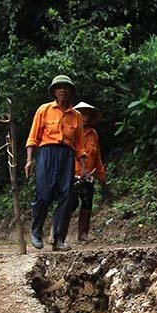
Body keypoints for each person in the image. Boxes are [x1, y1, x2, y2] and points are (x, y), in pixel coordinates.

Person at [23, 74, 86, 251]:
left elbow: (80, 145)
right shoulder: (44, 110)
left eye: (66, 87)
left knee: (67, 197)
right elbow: (33, 137)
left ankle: (59, 239)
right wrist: (29, 160)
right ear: (54, 91)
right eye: (59, 87)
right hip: (46, 153)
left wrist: (84, 168)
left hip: (67, 155)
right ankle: (36, 231)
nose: (63, 90)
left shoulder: (77, 116)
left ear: (71, 92)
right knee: (44, 194)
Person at [72, 101, 106, 243]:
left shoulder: (93, 134)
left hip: (88, 175)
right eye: (82, 114)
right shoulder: (71, 132)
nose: (85, 117)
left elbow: (97, 156)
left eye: (88, 114)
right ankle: (57, 233)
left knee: (87, 204)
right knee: (69, 203)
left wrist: (101, 174)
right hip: (72, 174)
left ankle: (83, 235)